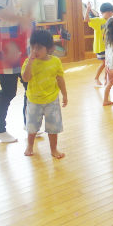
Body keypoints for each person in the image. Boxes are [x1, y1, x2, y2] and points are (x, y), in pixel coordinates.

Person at [0, 0, 78, 143]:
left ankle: (31, 124)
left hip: (26, 49)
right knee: (8, 91)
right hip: (6, 50)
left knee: (30, 87)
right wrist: (21, 18)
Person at [21, 30, 67, 158]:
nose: (35, 50)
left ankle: (54, 149)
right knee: (32, 127)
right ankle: (29, 146)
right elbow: (25, 78)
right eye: (32, 47)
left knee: (53, 128)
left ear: (49, 48)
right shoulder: (28, 61)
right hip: (34, 100)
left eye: (39, 48)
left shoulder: (55, 61)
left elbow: (60, 79)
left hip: (52, 100)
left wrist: (65, 94)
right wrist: (30, 62)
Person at [84, 2, 113, 86]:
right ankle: (96, 78)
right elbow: (87, 20)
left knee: (107, 64)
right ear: (102, 12)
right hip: (100, 47)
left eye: (111, 12)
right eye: (107, 12)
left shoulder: (111, 21)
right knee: (104, 63)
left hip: (108, 46)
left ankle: (106, 78)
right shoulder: (98, 20)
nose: (110, 14)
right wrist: (88, 9)